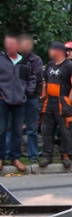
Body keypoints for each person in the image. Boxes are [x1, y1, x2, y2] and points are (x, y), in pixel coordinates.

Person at [40, 41, 72, 169]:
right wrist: (43, 98)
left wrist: (68, 102)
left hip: (62, 102)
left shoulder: (70, 66)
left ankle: (66, 155)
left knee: (65, 130)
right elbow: (45, 83)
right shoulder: (49, 65)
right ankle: (47, 155)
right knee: (47, 130)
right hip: (49, 102)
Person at [0, 35, 35, 172]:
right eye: (7, 44)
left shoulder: (25, 62)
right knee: (1, 130)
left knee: (17, 130)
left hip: (19, 101)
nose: (9, 47)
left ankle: (15, 158)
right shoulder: (1, 60)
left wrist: (26, 92)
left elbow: (31, 79)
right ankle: (1, 157)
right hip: (3, 100)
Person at [18, 34, 43, 163]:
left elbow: (37, 77)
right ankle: (11, 155)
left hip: (31, 97)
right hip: (15, 97)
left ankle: (33, 155)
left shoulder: (36, 60)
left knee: (32, 128)